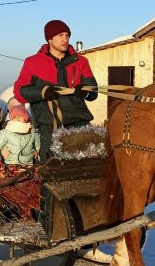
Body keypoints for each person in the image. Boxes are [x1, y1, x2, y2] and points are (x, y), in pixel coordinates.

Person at [13, 19, 98, 162]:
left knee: (85, 168)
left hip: (79, 124)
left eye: (67, 35)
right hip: (49, 127)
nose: (65, 39)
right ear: (49, 39)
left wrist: (85, 92)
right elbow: (20, 92)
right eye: (60, 35)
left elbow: (93, 92)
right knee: (50, 172)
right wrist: (42, 93)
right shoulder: (32, 62)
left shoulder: (81, 61)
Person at [0, 105, 41, 177]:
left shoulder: (33, 132)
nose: (17, 118)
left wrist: (37, 151)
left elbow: (39, 144)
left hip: (28, 165)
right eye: (14, 117)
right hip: (9, 164)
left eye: (20, 116)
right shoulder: (5, 133)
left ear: (26, 118)